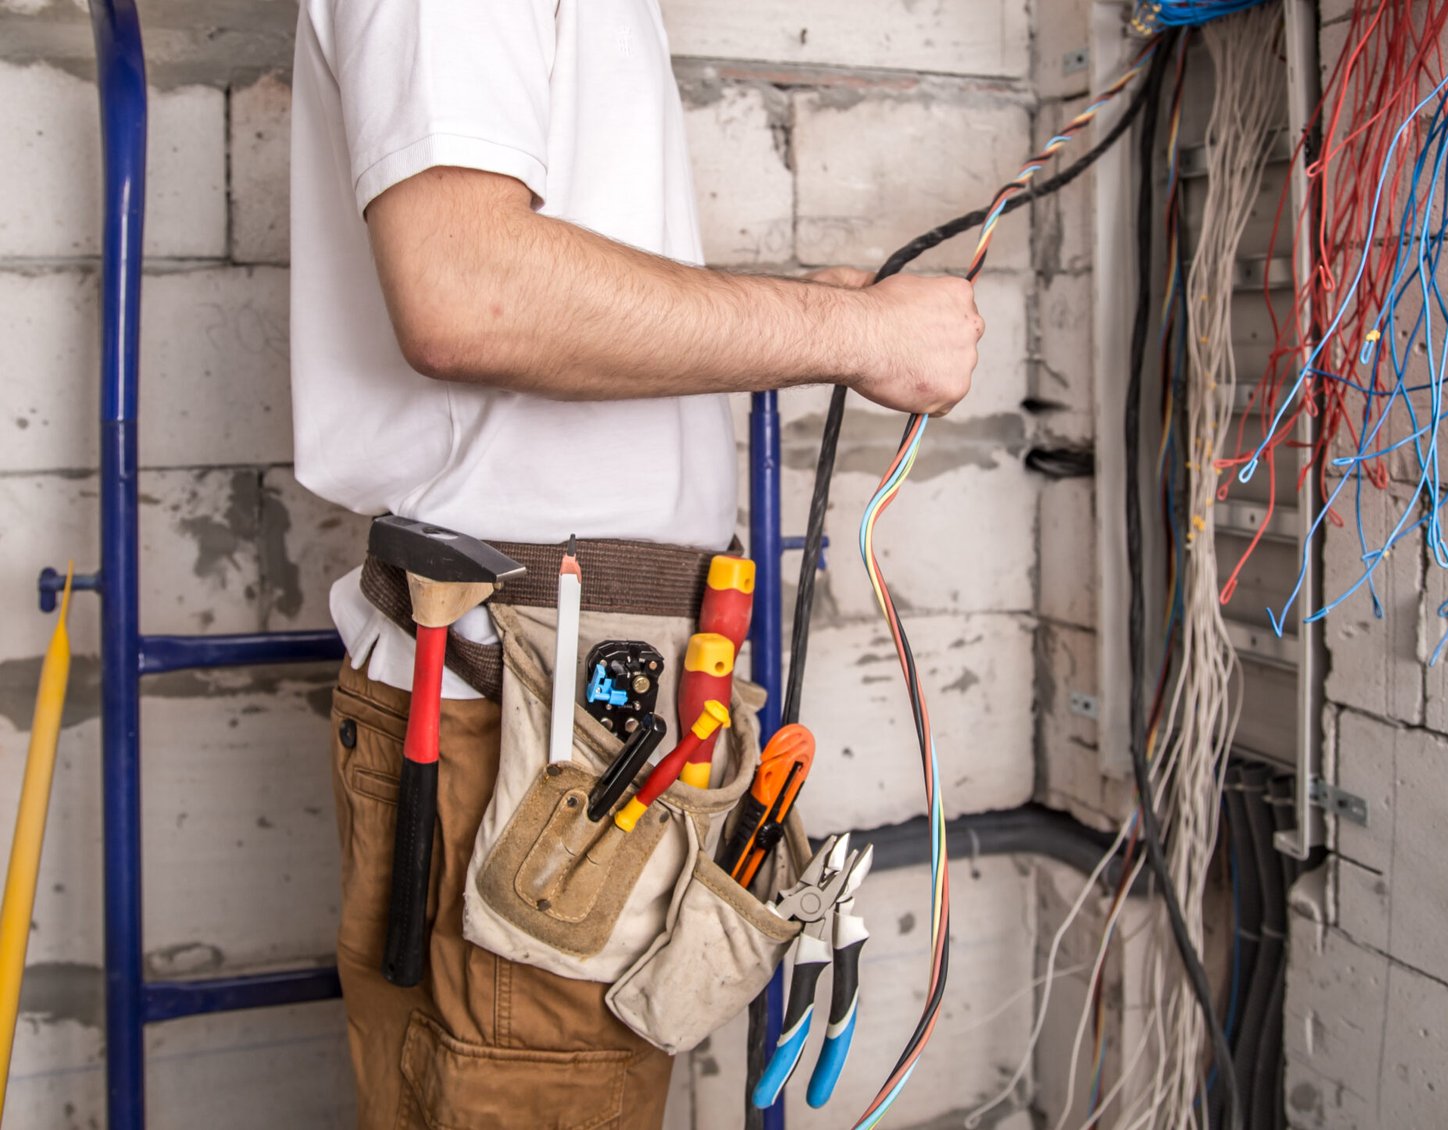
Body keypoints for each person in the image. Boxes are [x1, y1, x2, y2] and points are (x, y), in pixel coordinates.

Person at [289, 2, 982, 1126]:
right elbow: (469, 294)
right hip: (522, 701)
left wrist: (813, 317)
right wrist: (852, 337)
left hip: (582, 699)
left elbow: (532, 280)